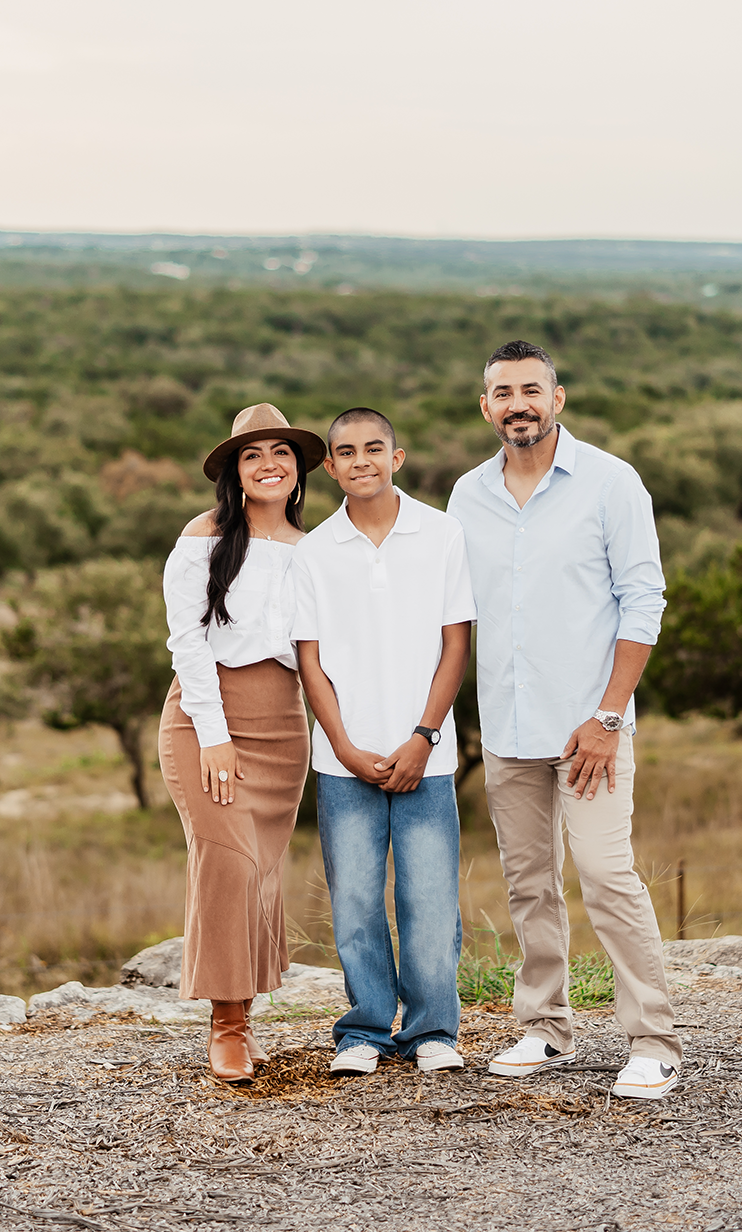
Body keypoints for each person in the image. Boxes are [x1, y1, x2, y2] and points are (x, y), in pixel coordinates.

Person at [445, 340, 683, 1101]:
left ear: (558, 399)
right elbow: (452, 612)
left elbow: (644, 602)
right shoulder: (466, 497)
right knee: (529, 884)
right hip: (508, 730)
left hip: (591, 731)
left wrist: (609, 716)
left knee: (608, 876)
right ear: (486, 407)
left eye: (531, 390)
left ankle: (653, 1041)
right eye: (503, 392)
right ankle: (545, 1026)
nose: (519, 403)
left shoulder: (612, 484)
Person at [290, 408, 475, 1078]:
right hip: (345, 764)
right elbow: (309, 660)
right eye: (346, 451)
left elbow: (457, 643)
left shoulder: (442, 533)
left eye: (374, 448)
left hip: (427, 756)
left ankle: (432, 1030)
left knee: (429, 903)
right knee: (357, 904)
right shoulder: (313, 552)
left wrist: (424, 736)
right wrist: (340, 745)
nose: (361, 460)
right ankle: (364, 1031)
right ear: (331, 467)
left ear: (396, 457)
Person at [158, 402, 324, 1084]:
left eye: (280, 453)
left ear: (297, 468)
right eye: (252, 455)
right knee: (226, 862)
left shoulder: (316, 549)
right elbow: (186, 643)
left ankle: (247, 1017)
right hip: (205, 718)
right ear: (233, 470)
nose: (268, 465)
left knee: (258, 873)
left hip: (283, 726)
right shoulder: (203, 538)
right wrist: (214, 736)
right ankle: (225, 1028)